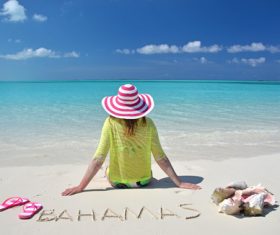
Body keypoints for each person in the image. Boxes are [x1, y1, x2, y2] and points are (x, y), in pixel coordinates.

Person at [62, 84, 201, 196]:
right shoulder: (149, 123)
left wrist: (81, 186)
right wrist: (179, 182)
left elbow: (98, 158)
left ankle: (114, 175)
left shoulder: (110, 122)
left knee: (106, 168)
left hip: (117, 183)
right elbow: (160, 157)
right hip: (144, 181)